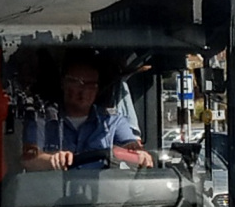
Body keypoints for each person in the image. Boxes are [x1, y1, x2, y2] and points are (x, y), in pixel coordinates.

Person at [21, 54, 154, 171]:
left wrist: (139, 154)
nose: (84, 90)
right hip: (49, 195)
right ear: (63, 83)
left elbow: (132, 146)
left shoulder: (112, 120)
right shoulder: (42, 119)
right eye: (77, 83)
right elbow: (28, 160)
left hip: (101, 195)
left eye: (91, 85)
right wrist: (52, 160)